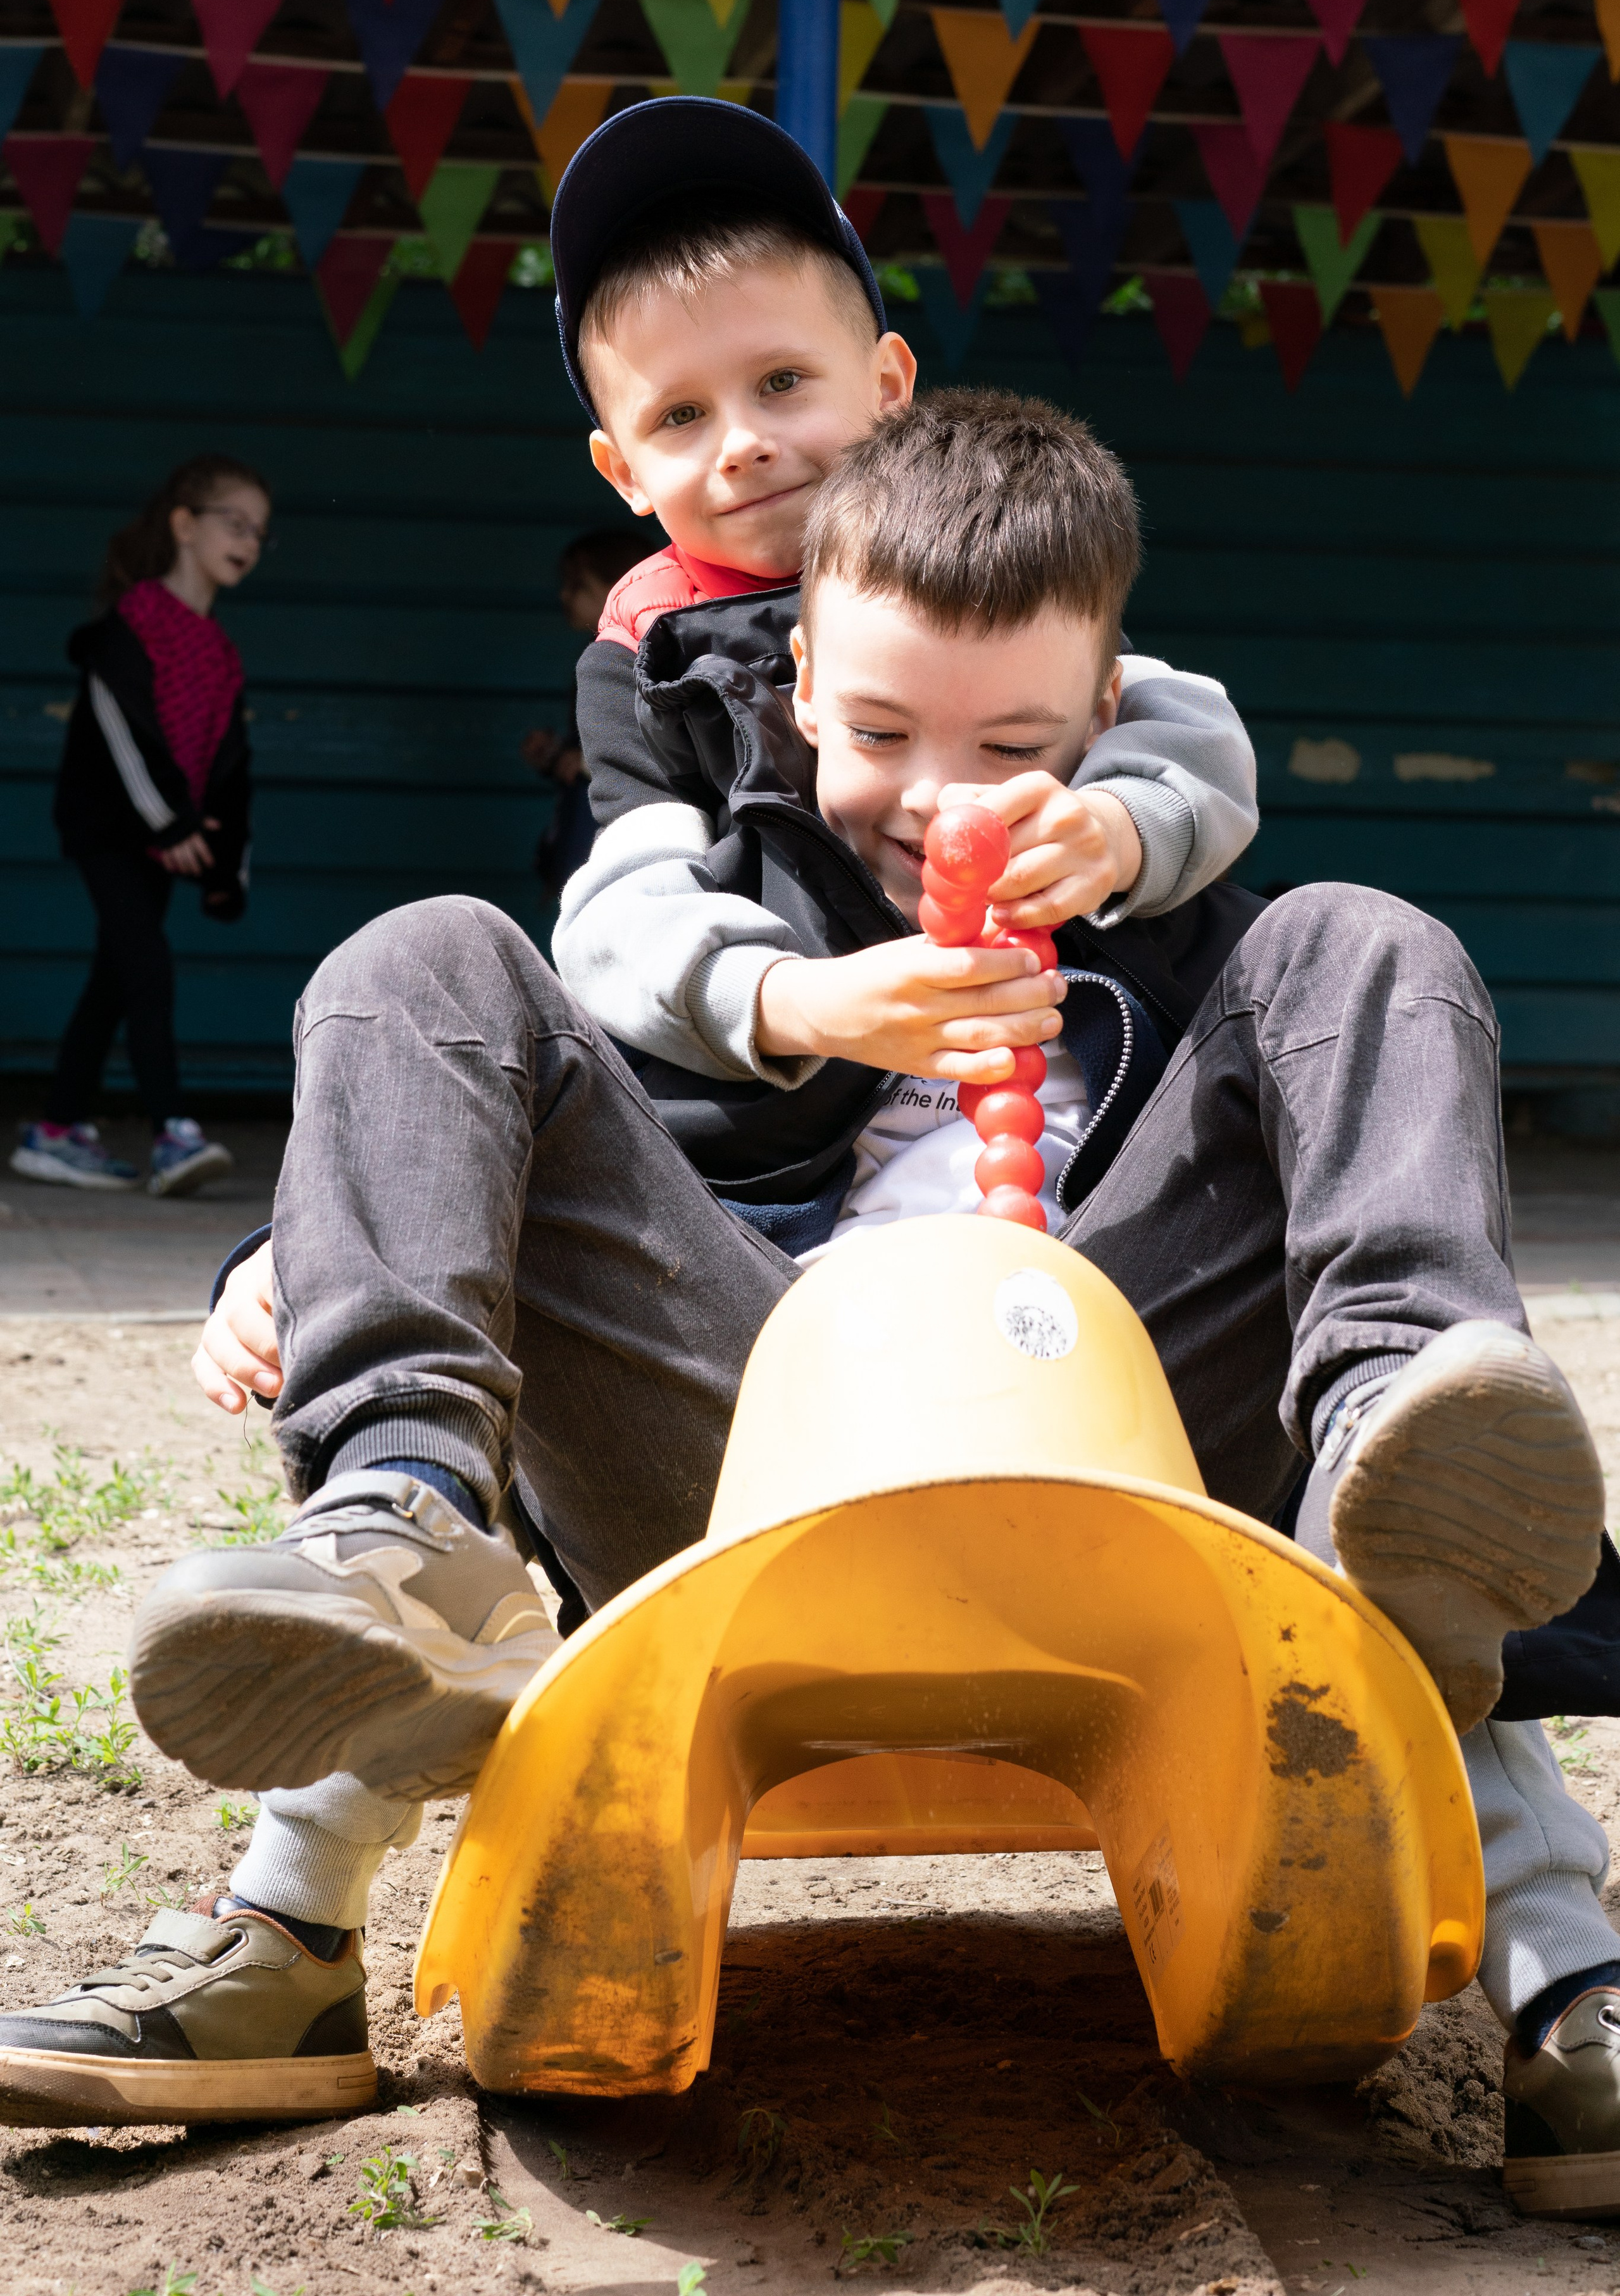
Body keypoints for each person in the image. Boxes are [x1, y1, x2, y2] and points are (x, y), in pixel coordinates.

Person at [0, 392, 1616, 2221]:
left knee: (1372, 945)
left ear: (1109, 714)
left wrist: (1135, 854)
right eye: (880, 732)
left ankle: (1559, 1955)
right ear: (797, 695)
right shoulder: (709, 902)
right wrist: (296, 1250)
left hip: (1141, 1443)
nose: (940, 791)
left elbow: (1242, 882)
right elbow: (481, 1102)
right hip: (736, 1436)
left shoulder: (1181, 909)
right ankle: (322, 1790)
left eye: (1013, 739)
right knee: (420, 956)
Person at [10, 456, 263, 1198]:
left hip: (166, 838)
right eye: (235, 523)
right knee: (146, 966)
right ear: (184, 525)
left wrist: (225, 865)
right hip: (110, 830)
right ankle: (173, 1132)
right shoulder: (131, 626)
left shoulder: (219, 651)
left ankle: (57, 1129)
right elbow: (123, 738)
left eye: (260, 532)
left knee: (115, 977)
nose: (249, 541)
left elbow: (230, 762)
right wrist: (171, 820)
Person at [520, 529, 644, 898]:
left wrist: (583, 762)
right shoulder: (598, 653)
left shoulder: (639, 656)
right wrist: (560, 757)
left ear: (618, 587)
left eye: (577, 585)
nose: (564, 596)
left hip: (623, 841)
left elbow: (653, 750)